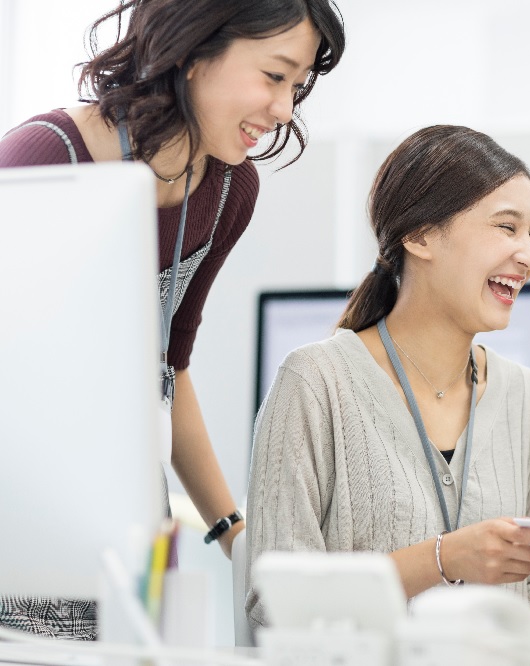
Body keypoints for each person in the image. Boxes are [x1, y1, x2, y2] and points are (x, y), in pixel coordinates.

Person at [0, 0, 346, 639]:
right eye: (274, 77)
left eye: (296, 88)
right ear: (193, 50)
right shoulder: (40, 161)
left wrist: (233, 537)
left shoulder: (227, 193)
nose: (284, 111)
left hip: (130, 530)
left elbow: (168, 370)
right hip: (22, 529)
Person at [244, 125, 530, 647]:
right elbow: (273, 606)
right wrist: (442, 559)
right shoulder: (316, 382)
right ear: (420, 235)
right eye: (506, 227)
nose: (528, 255)